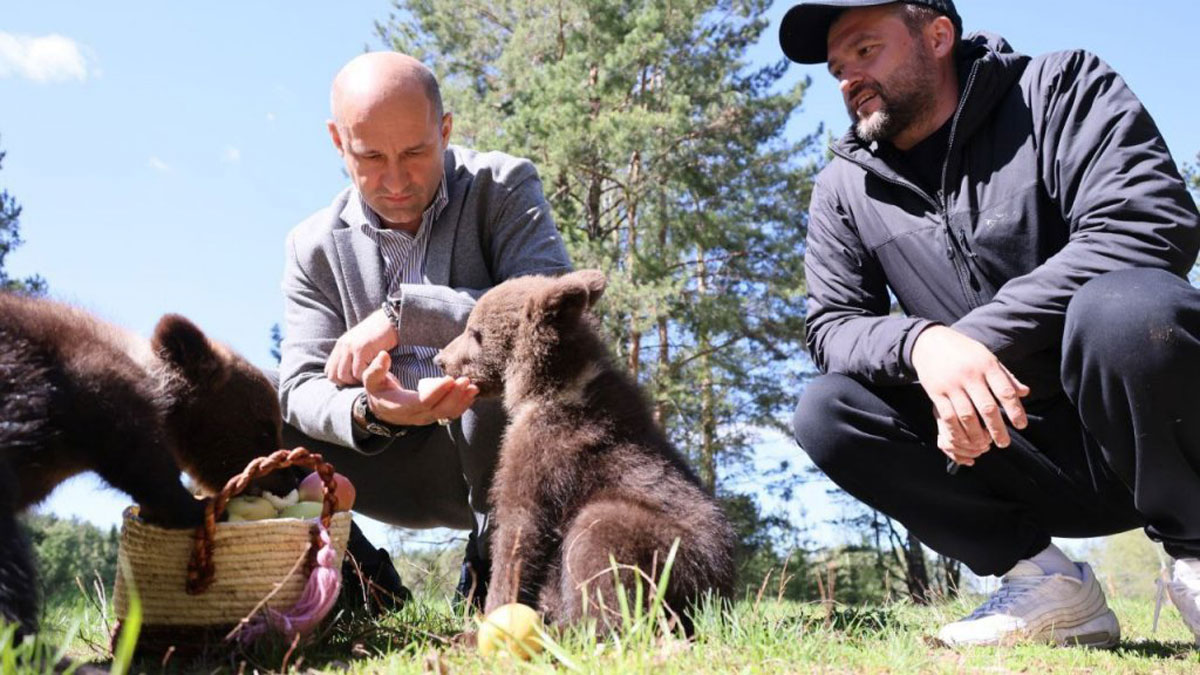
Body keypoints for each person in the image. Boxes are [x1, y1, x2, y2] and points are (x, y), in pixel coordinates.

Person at [782, 0, 1200, 647]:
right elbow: (832, 325)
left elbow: (1145, 222)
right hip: (1002, 449)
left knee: (1126, 311)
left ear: (938, 35)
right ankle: (1047, 582)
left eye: (865, 51)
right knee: (829, 410)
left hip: (1150, 427)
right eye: (838, 69)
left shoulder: (1058, 89)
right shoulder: (844, 187)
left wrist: (971, 338)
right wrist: (921, 342)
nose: (848, 80)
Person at [277, 51, 572, 608]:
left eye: (415, 152)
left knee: (495, 374)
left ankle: (498, 568)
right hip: (381, 461)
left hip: (503, 453)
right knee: (248, 412)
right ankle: (362, 587)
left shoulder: (503, 186)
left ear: (445, 130)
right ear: (338, 142)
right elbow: (299, 386)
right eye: (370, 156)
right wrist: (369, 411)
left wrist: (401, 316)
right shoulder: (310, 246)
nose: (395, 180)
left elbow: (551, 309)